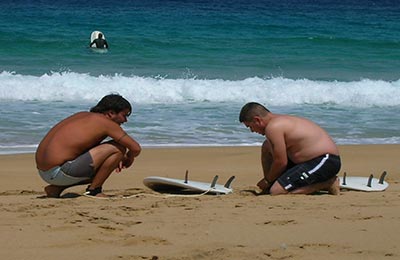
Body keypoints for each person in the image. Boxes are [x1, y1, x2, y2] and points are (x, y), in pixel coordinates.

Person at [35, 94, 141, 198]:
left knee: (105, 163)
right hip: (59, 172)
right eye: (124, 115)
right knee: (118, 148)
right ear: (111, 113)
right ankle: (94, 190)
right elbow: (135, 148)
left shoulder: (82, 115)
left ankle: (56, 188)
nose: (125, 121)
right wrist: (128, 157)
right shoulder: (105, 123)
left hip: (44, 172)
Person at [239, 102, 341, 195]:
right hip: (307, 161)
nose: (252, 131)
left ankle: (328, 183)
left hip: (325, 161)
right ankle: (271, 186)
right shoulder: (279, 121)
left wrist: (267, 180)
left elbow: (281, 162)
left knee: (276, 191)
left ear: (257, 120)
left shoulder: (273, 127)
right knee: (267, 146)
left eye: (250, 126)